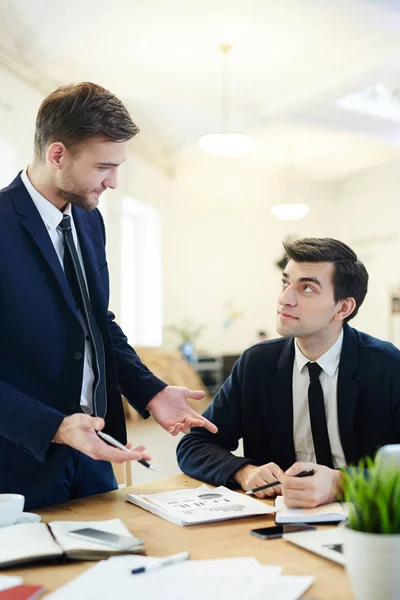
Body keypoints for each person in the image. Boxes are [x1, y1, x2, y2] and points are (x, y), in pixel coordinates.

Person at [0, 82, 217, 510]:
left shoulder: (88, 222)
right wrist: (54, 426)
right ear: (57, 154)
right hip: (16, 459)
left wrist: (151, 392)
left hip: (97, 453)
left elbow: (97, 325)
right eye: (103, 166)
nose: (113, 182)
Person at [177, 237, 400, 508]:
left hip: (370, 523)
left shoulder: (388, 366)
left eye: (306, 288)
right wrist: (244, 471)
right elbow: (195, 444)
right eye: (285, 283)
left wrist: (342, 483)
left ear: (343, 308)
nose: (285, 299)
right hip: (278, 520)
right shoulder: (257, 363)